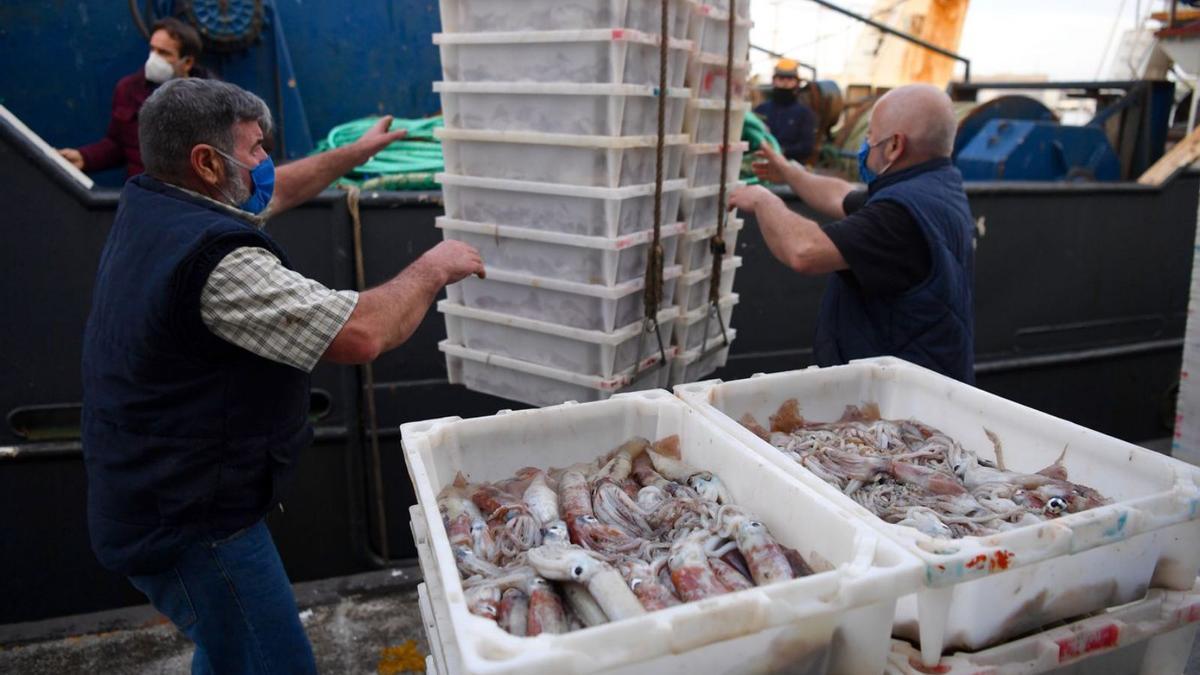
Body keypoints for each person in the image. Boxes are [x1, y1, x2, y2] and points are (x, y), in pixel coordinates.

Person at [80, 78, 485, 673]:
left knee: (228, 655)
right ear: (206, 162)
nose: (268, 162)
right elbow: (363, 332)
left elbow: (280, 188)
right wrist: (434, 266)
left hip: (149, 493)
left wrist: (356, 154)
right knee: (273, 662)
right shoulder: (216, 262)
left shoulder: (158, 204)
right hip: (192, 524)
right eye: (256, 149)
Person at [729, 84, 975, 382]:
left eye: (871, 135)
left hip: (902, 400)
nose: (866, 143)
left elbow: (804, 251)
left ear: (895, 145)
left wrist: (761, 199)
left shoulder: (899, 216)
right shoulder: (934, 187)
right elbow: (841, 195)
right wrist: (789, 172)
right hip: (922, 383)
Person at [59, 17, 209, 177]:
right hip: (141, 194)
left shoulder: (211, 100)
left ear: (187, 63)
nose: (154, 59)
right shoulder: (128, 90)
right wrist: (84, 158)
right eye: (152, 49)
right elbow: (119, 145)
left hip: (186, 198)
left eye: (164, 53)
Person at [753, 59, 818, 163]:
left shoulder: (804, 114)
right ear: (774, 81)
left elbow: (806, 147)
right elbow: (751, 138)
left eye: (790, 79)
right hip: (762, 163)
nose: (785, 82)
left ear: (797, 82)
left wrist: (780, 151)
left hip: (792, 167)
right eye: (781, 78)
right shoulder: (761, 110)